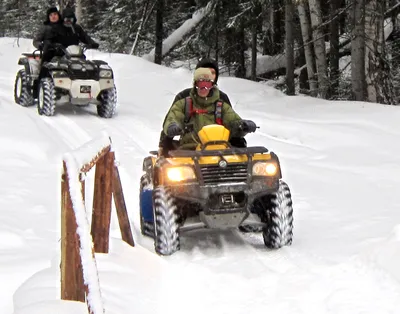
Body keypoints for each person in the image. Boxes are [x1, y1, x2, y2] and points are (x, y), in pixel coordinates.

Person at [162, 68, 257, 151]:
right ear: (195, 84)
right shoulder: (184, 104)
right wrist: (172, 127)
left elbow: (234, 122)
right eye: (200, 83)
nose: (204, 88)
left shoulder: (221, 106)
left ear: (212, 85)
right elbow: (173, 117)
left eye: (207, 83)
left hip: (219, 150)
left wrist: (243, 125)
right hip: (189, 151)